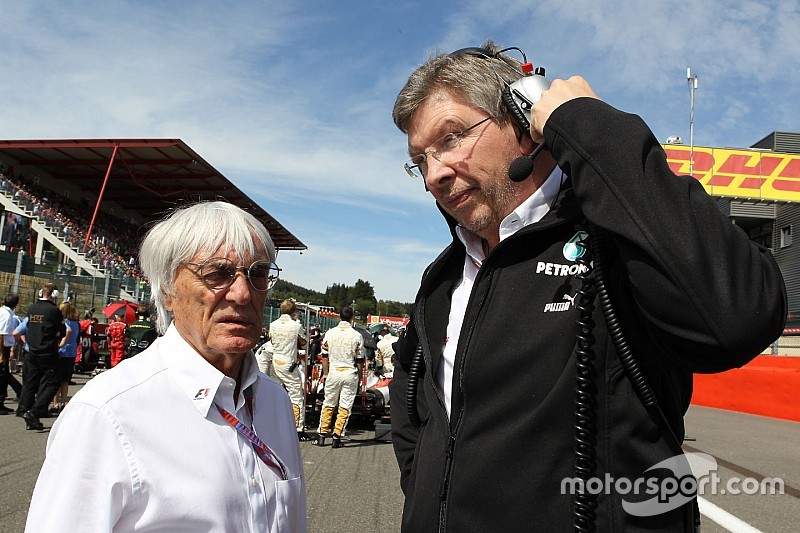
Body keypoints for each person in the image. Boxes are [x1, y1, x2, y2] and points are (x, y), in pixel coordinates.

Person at [388, 41, 787, 532]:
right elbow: (414, 414)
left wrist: (584, 122)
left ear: (524, 120)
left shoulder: (619, 242)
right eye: (419, 160)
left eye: (450, 140)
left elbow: (736, 318)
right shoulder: (442, 278)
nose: (434, 176)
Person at [26, 201, 306, 532]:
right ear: (168, 291)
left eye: (258, 273)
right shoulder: (107, 414)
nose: (243, 293)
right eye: (217, 273)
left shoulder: (276, 401)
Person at [17, 282, 65, 430]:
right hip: (47, 352)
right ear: (54, 295)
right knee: (53, 382)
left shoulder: (32, 308)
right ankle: (35, 412)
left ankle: (25, 410)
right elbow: (62, 331)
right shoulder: (53, 310)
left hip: (32, 351)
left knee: (31, 383)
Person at [315, 306, 364, 449]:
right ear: (352, 318)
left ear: (339, 317)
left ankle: (322, 435)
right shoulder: (357, 335)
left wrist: (325, 374)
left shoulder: (330, 333)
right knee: (345, 407)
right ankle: (337, 437)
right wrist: (359, 378)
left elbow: (324, 356)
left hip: (334, 372)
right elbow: (360, 360)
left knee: (328, 404)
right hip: (349, 373)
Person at [269, 299, 309, 441]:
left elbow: (272, 341)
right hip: (289, 363)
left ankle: (273, 424)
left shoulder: (273, 325)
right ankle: (297, 428)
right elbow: (304, 343)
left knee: (275, 394)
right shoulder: (296, 326)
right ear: (294, 311)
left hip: (275, 361)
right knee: (296, 395)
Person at [53, 300, 80, 413]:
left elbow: (67, 333)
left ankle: (55, 403)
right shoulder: (76, 323)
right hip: (71, 352)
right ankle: (63, 402)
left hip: (62, 352)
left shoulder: (64, 323)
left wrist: (60, 345)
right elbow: (77, 338)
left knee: (56, 380)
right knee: (65, 380)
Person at [0, 293, 22, 413]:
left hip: (5, 346)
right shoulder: (7, 316)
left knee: (5, 375)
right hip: (3, 347)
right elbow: (1, 335)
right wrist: (2, 354)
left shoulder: (5, 313)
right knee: (3, 376)